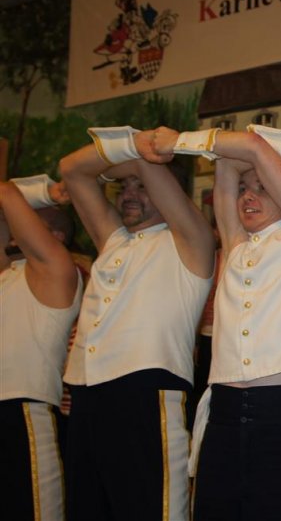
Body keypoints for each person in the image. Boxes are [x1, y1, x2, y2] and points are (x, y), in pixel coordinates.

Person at [146, 125, 281, 520]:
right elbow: (229, 160)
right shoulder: (234, 245)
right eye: (245, 189)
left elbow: (250, 146)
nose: (248, 196)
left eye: (263, 187)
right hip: (221, 419)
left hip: (279, 419)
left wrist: (177, 142)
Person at [59, 126, 215, 521]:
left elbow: (147, 167)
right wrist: (131, 147)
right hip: (86, 395)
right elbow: (71, 169)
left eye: (140, 186)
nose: (129, 194)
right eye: (123, 186)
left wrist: (138, 155)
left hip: (144, 394)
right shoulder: (113, 240)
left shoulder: (190, 240)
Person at [0, 176, 82, 521]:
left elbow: (4, 191)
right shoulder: (8, 274)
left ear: (57, 236)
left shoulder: (57, 272)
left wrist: (46, 193)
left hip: (23, 413)